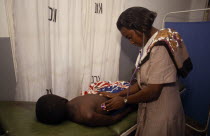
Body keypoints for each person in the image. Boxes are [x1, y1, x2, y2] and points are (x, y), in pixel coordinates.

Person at [99, 7, 192, 136]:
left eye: (130, 37)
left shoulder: (159, 48)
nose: (131, 42)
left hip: (163, 111)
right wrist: (119, 94)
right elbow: (141, 84)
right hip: (150, 108)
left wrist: (124, 101)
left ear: (139, 28)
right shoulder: (149, 45)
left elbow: (153, 91)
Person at [35, 93, 133, 127]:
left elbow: (113, 119)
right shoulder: (74, 104)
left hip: (113, 100)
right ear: (62, 99)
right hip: (107, 99)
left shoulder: (86, 115)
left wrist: (127, 110)